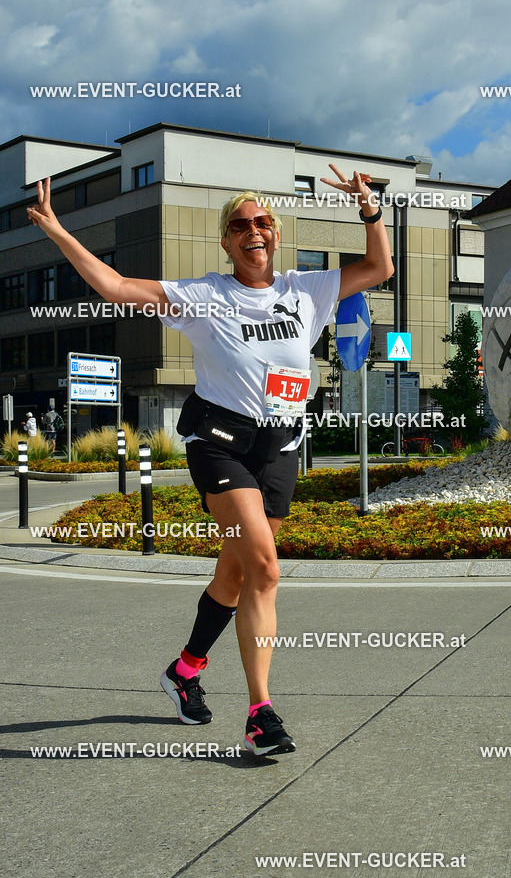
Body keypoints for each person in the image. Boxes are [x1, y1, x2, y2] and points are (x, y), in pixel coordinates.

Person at [27, 166, 393, 756]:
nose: (255, 230)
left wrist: (369, 212)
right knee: (267, 570)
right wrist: (56, 232)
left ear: (276, 233)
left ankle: (187, 668)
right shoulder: (205, 296)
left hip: (281, 447)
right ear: (226, 240)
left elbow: (379, 269)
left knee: (239, 573)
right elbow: (117, 288)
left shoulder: (308, 288)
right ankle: (260, 714)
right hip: (219, 442)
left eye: (264, 221)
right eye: (241, 224)